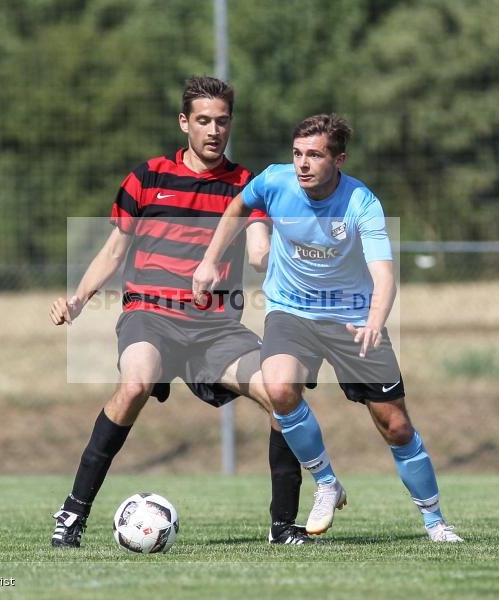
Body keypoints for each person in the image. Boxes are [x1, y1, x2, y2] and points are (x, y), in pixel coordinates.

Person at [48, 76, 314, 548]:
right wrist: (78, 299)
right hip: (149, 315)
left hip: (215, 329)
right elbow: (112, 253)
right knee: (135, 385)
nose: (214, 131)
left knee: (283, 392)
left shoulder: (247, 184)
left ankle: (284, 527)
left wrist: (270, 253)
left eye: (223, 121)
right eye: (204, 121)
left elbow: (258, 246)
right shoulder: (147, 177)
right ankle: (72, 514)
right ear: (184, 122)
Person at [193, 114, 463, 542]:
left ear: (339, 159)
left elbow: (384, 276)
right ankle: (326, 481)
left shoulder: (361, 203)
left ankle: (435, 522)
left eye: (314, 155)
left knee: (395, 426)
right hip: (290, 312)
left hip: (353, 319)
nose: (303, 164)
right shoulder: (274, 181)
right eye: (297, 154)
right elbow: (237, 208)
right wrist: (210, 260)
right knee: (280, 389)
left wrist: (375, 320)